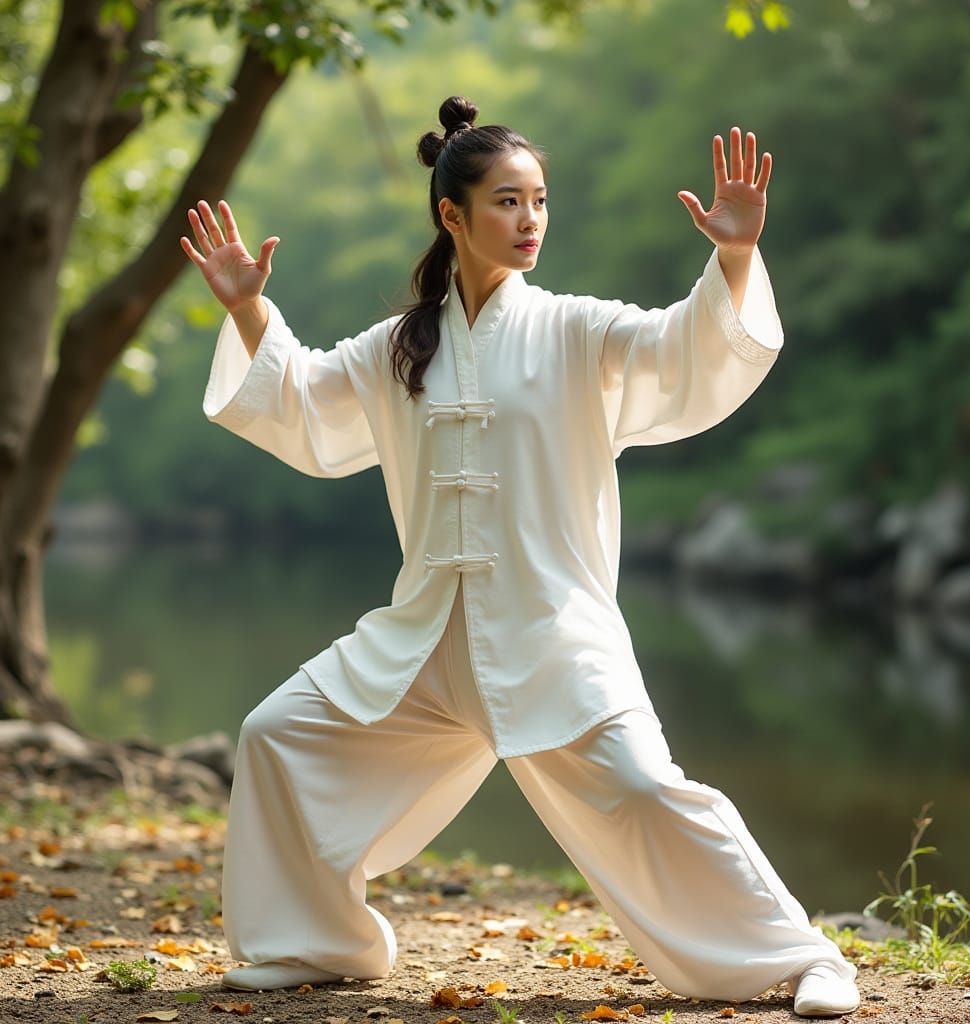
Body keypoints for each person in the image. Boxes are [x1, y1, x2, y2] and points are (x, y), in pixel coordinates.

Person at [180, 95, 861, 1018]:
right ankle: (318, 942)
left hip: (549, 633)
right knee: (279, 735)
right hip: (422, 643)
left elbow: (682, 348)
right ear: (450, 215)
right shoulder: (398, 350)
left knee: (644, 787)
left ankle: (803, 956)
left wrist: (733, 255)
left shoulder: (577, 330)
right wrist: (250, 306)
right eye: (506, 201)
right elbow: (301, 404)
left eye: (539, 200)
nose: (530, 219)